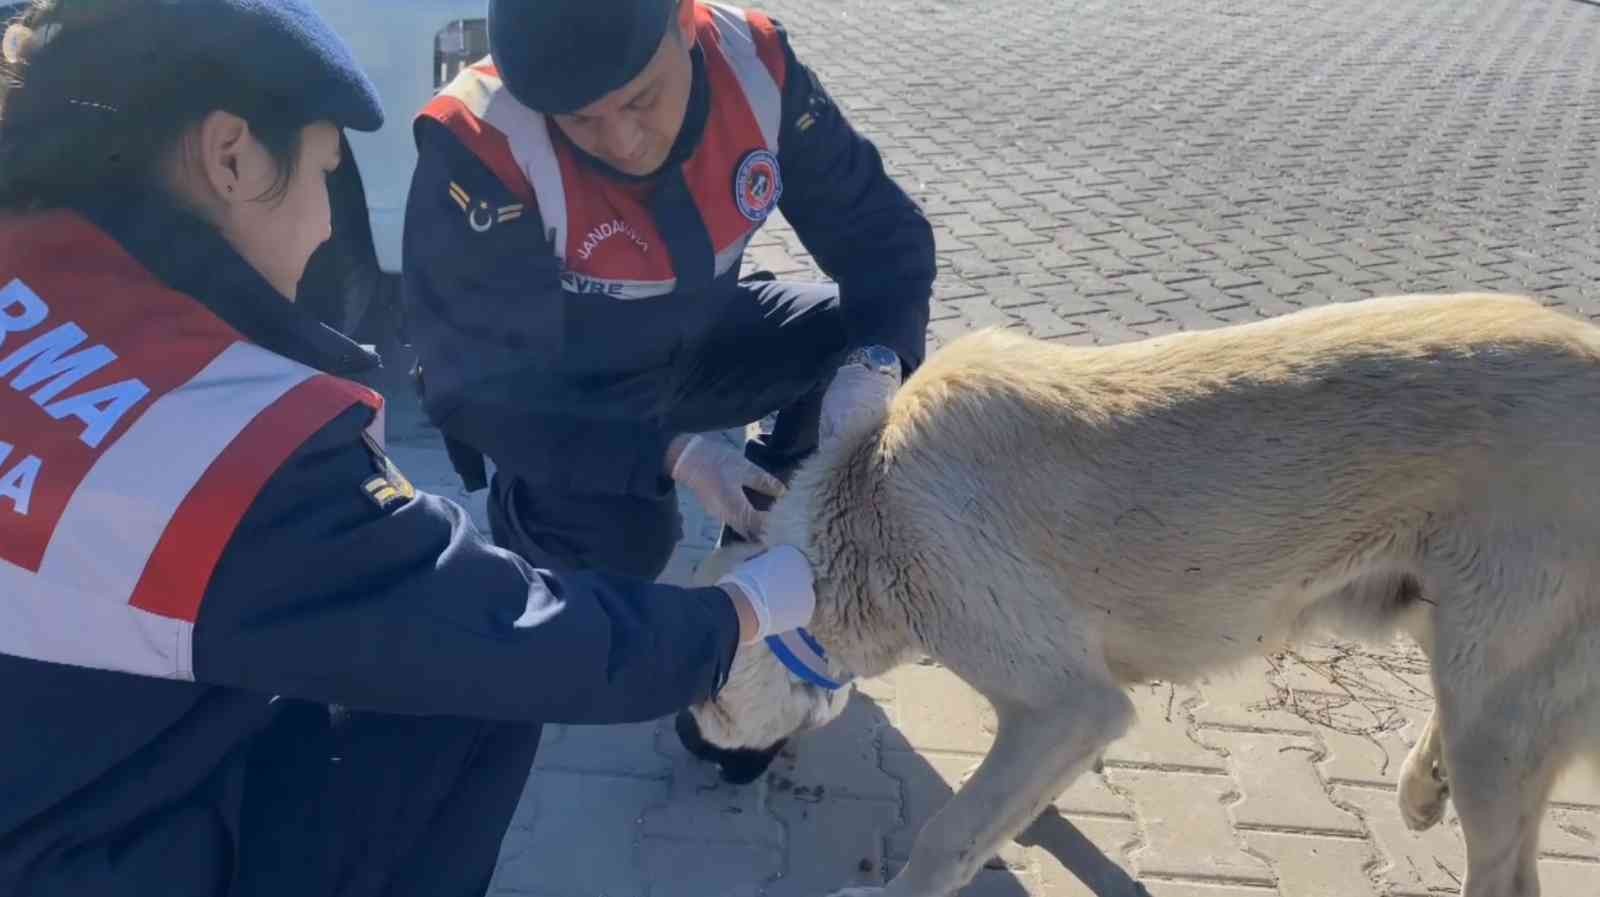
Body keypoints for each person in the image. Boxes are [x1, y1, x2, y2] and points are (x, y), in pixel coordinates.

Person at [0, 2, 818, 895]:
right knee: (476, 693)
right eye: (323, 174)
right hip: (69, 854)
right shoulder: (228, 451)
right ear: (231, 155)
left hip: (47, 752)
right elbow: (508, 633)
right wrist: (743, 608)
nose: (324, 226)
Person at [401, 0, 936, 581]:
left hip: (699, 336)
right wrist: (670, 451)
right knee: (624, 545)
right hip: (571, 388)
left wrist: (879, 358)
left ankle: (769, 525)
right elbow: (474, 382)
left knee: (858, 341)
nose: (625, 141)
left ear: (685, 21)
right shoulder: (480, 140)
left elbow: (878, 231)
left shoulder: (752, 61)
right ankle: (534, 547)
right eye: (581, 120)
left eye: (640, 99)